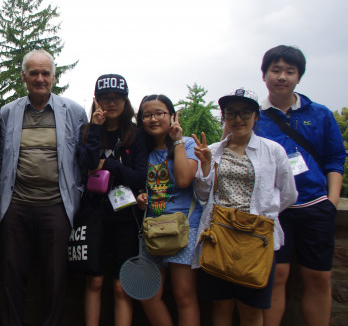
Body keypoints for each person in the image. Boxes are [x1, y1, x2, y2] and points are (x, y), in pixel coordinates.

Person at [255, 45, 345, 326]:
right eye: (276, 70)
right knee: (276, 276)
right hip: (274, 208)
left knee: (318, 276)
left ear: (298, 77)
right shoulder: (255, 117)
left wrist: (330, 202)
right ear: (264, 75)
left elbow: (335, 159)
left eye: (289, 71)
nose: (282, 76)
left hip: (315, 205)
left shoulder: (319, 114)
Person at [0, 50, 88, 326]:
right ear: (23, 77)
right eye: (33, 73)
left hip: (56, 207)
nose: (39, 78)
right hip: (17, 205)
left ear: (54, 77)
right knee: (12, 276)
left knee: (56, 278)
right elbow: (2, 156)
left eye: (45, 73)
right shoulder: (9, 112)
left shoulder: (73, 111)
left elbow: (81, 160)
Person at [192, 88, 297, 326]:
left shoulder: (272, 151)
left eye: (245, 113)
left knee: (251, 310)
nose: (238, 119)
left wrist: (262, 215)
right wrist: (206, 167)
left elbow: (289, 193)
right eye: (231, 113)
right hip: (219, 236)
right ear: (224, 117)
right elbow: (202, 195)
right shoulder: (215, 150)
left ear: (256, 116)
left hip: (255, 240)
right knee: (221, 306)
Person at [78, 74, 147, 326]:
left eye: (117, 97)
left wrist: (109, 164)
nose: (111, 103)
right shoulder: (87, 131)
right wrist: (95, 128)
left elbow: (140, 177)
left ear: (125, 100)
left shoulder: (136, 135)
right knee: (93, 279)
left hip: (126, 216)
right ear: (97, 101)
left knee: (121, 284)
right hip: (94, 212)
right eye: (105, 98)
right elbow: (84, 165)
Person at [135, 94, 201, 326]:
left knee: (184, 295)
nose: (153, 119)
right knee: (147, 293)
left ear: (171, 115)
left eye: (159, 113)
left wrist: (178, 140)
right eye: (147, 115)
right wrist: (142, 199)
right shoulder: (142, 151)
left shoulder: (188, 144)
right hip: (153, 227)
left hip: (185, 226)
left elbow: (184, 180)